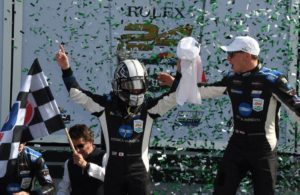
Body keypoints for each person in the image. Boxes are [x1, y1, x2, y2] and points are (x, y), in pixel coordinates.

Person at [161, 35, 300, 195]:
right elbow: (203, 91)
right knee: (221, 190)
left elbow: (295, 106)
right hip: (237, 145)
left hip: (263, 148)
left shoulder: (273, 80)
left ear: (247, 56)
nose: (228, 58)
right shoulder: (231, 78)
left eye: (232, 54)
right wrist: (175, 83)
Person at [55, 45, 179, 195]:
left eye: (139, 85)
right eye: (130, 85)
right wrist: (66, 69)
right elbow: (76, 93)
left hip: (138, 170)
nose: (136, 91)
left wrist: (177, 79)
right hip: (113, 169)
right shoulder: (105, 106)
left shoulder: (149, 107)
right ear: (119, 84)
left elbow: (174, 97)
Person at [57, 124, 105, 195]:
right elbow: (64, 188)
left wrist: (87, 166)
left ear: (91, 142)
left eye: (80, 146)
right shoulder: (69, 162)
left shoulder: (103, 156)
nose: (77, 150)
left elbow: (110, 177)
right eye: (73, 147)